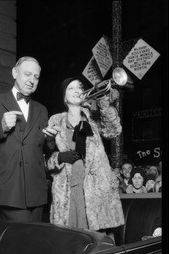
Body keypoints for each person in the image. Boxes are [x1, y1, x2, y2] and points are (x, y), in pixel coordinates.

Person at [0, 56, 60, 222]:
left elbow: (46, 150)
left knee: (32, 243)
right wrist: (1, 127)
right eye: (27, 74)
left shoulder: (41, 110)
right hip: (8, 190)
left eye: (36, 77)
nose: (32, 80)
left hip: (36, 192)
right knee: (21, 243)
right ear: (14, 72)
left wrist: (49, 139)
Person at [45, 76, 124, 233]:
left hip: (95, 191)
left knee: (99, 243)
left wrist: (104, 102)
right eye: (71, 88)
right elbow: (46, 160)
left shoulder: (93, 116)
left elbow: (113, 130)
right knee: (71, 242)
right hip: (68, 193)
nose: (76, 90)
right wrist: (58, 158)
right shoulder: (56, 120)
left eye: (79, 87)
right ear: (64, 97)